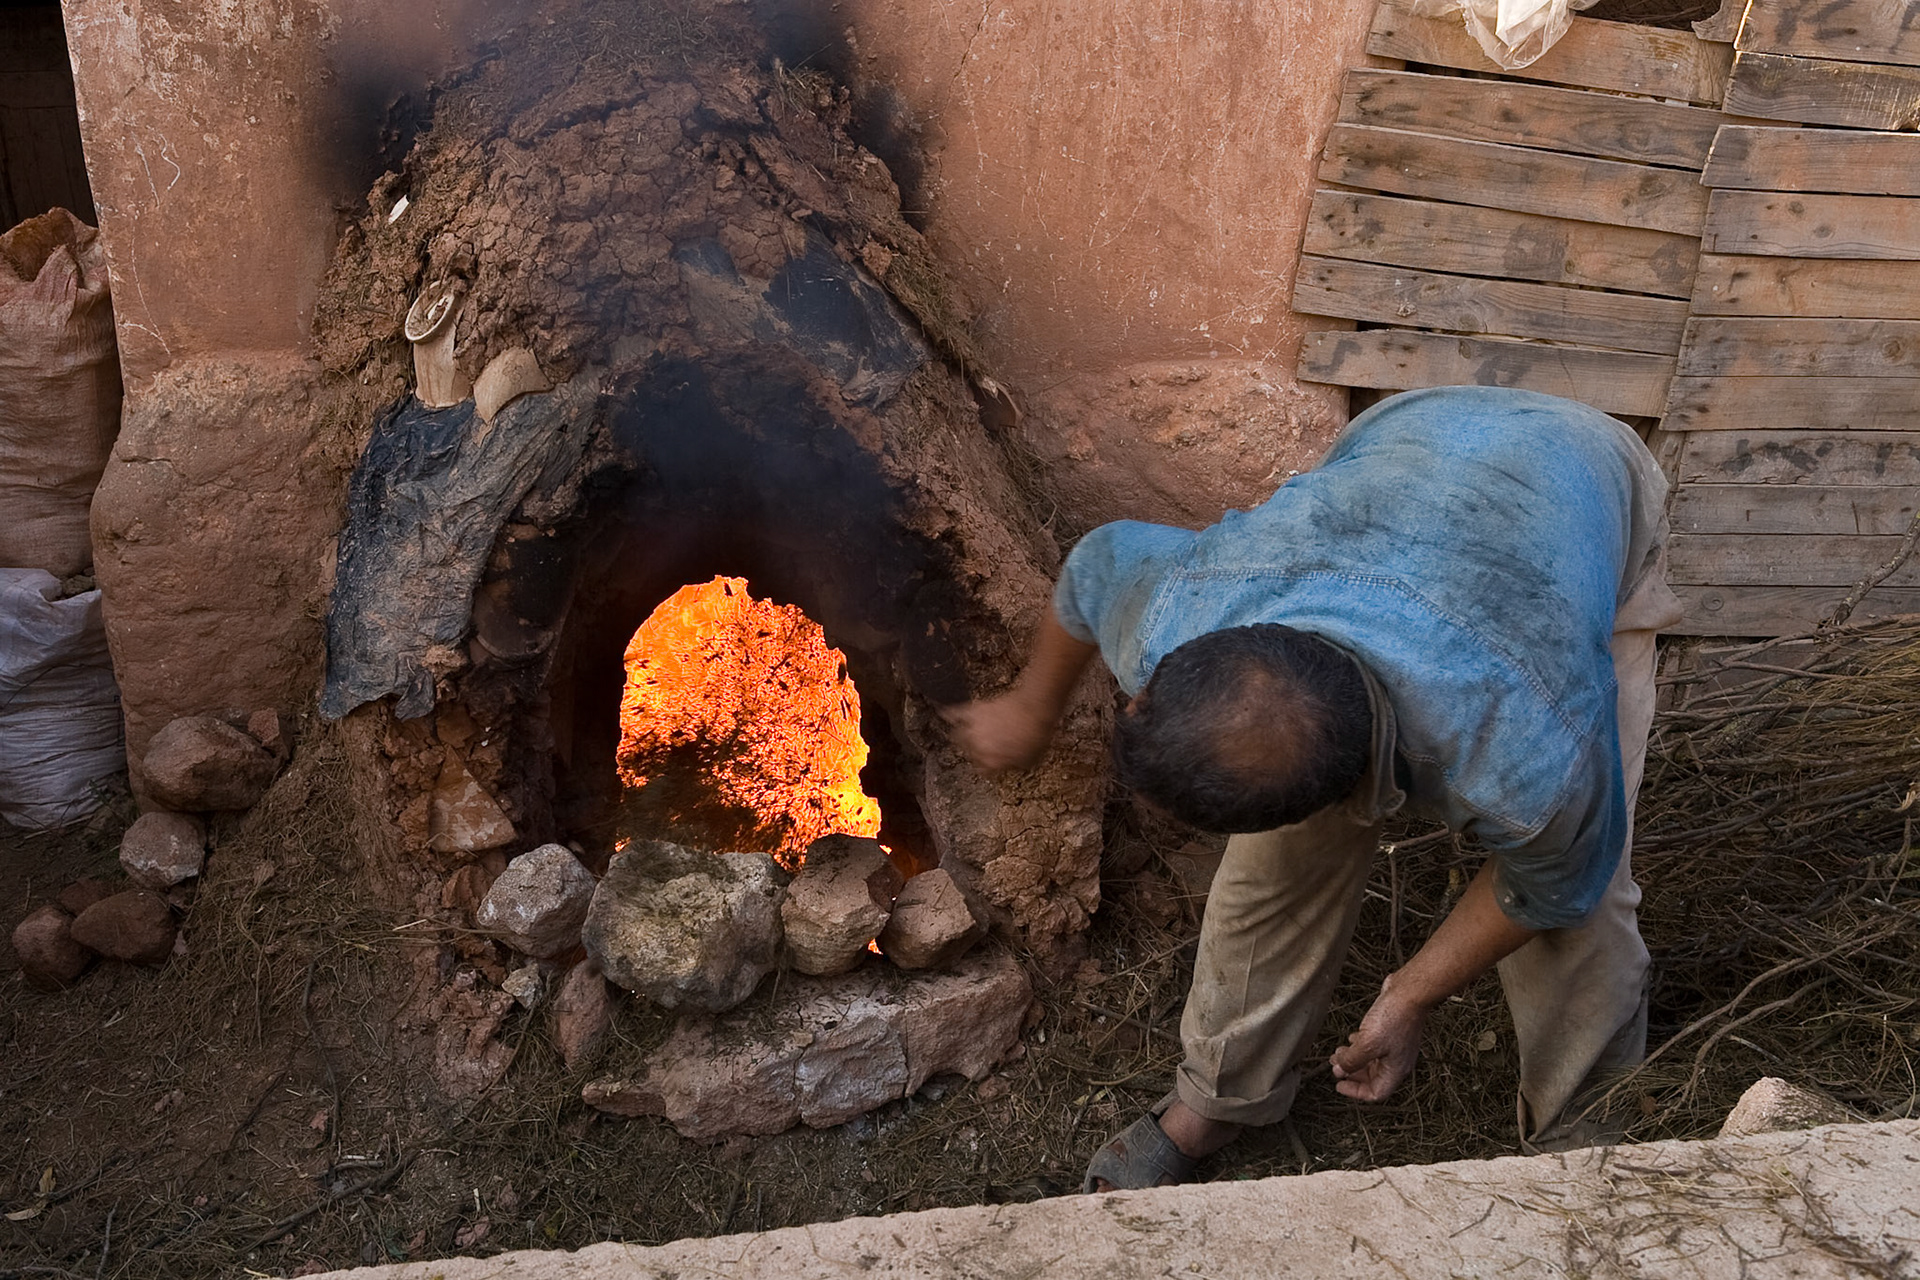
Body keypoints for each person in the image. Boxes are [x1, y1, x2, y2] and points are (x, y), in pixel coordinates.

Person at [942, 386, 1683, 1192]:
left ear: (1352, 791)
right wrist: (1028, 708)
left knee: (1587, 912)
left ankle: (1592, 1153)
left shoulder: (1531, 749)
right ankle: (1216, 1103)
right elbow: (1093, 567)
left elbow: (1550, 891)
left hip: (1586, 476)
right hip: (1412, 431)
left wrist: (1411, 993)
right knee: (1270, 874)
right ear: (1150, 685)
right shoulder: (1183, 608)